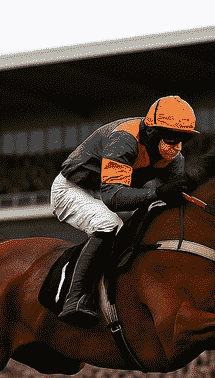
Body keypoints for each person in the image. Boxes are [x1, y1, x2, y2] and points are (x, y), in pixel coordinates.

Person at [50, 95, 199, 328]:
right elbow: (113, 198)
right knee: (110, 224)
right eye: (171, 137)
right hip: (73, 189)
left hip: (108, 191)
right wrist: (159, 193)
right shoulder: (125, 139)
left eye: (183, 139)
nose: (176, 145)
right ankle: (75, 298)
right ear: (152, 131)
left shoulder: (173, 156)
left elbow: (177, 198)